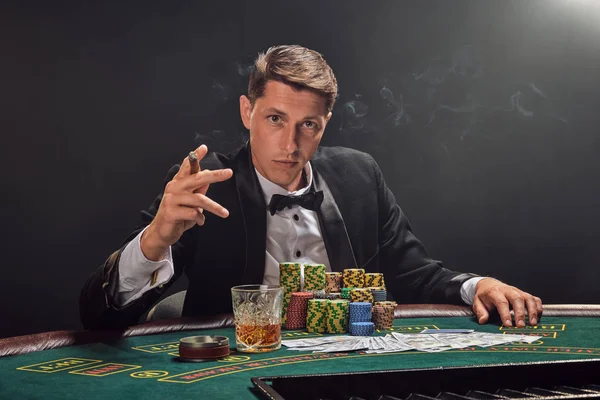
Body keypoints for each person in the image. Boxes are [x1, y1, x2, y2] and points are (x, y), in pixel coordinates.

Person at [80, 45, 542, 330]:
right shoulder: (206, 183)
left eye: (309, 125)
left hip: (345, 370)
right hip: (241, 369)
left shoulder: (360, 176)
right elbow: (99, 316)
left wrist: (478, 285)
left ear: (326, 124)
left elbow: (414, 275)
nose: (290, 143)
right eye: (274, 119)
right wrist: (157, 238)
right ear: (247, 112)